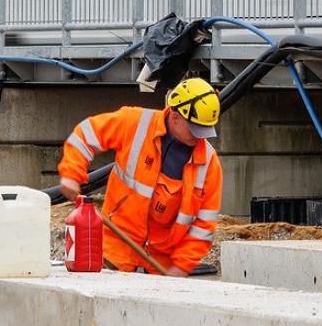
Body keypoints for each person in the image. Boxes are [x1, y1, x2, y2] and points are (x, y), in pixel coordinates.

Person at [57, 77, 223, 276]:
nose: (200, 136)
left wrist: (180, 266)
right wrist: (71, 175)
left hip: (161, 265)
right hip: (114, 251)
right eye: (195, 129)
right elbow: (86, 134)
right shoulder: (136, 123)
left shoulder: (208, 162)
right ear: (176, 116)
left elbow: (204, 226)